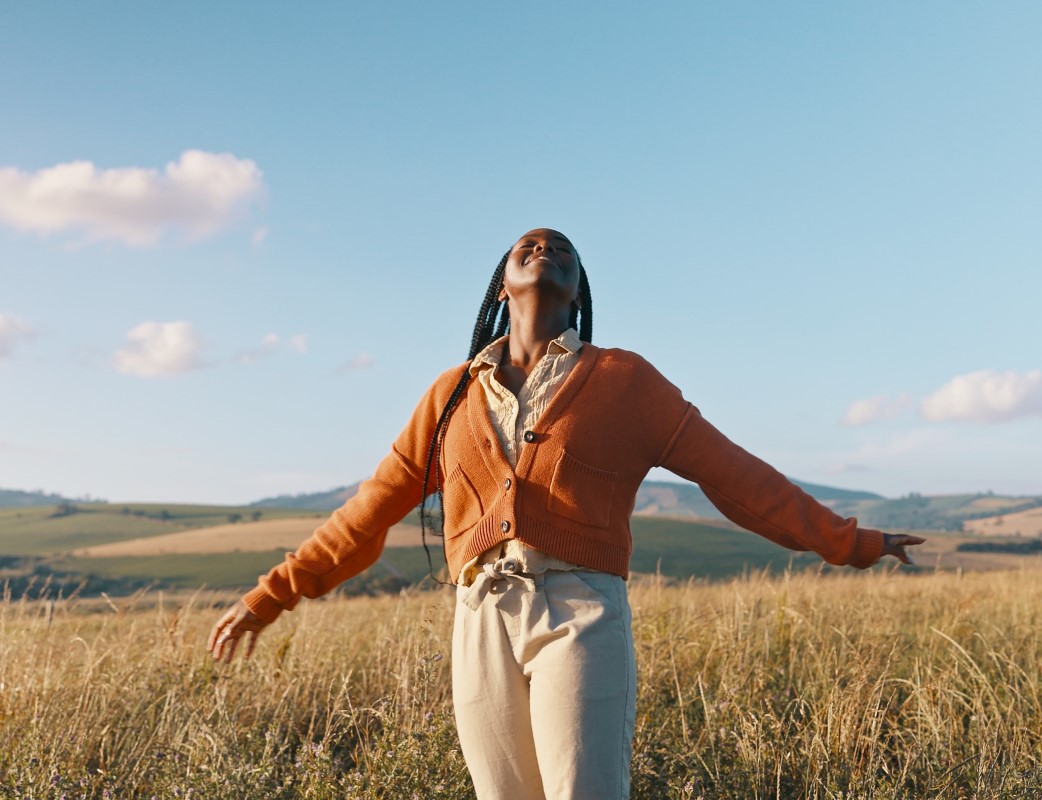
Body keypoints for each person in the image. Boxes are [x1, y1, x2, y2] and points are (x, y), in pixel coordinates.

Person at [207, 228, 924, 799]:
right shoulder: (450, 395)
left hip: (579, 608)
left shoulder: (625, 381)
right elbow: (366, 514)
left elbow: (736, 478)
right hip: (480, 614)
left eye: (564, 249)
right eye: (529, 243)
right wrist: (270, 596)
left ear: (577, 291)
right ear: (501, 285)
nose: (545, 247)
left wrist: (853, 542)